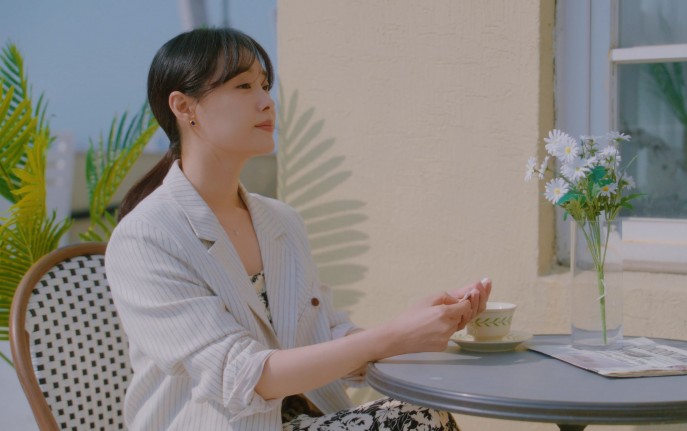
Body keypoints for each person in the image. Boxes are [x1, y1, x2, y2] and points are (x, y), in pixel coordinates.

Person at [105, 27, 491, 431]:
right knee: (419, 419)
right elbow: (243, 378)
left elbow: (323, 337)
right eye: (243, 86)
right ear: (185, 107)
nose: (266, 102)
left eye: (265, 86)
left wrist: (418, 326)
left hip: (302, 418)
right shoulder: (146, 238)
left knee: (420, 412)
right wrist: (393, 336)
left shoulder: (281, 221)